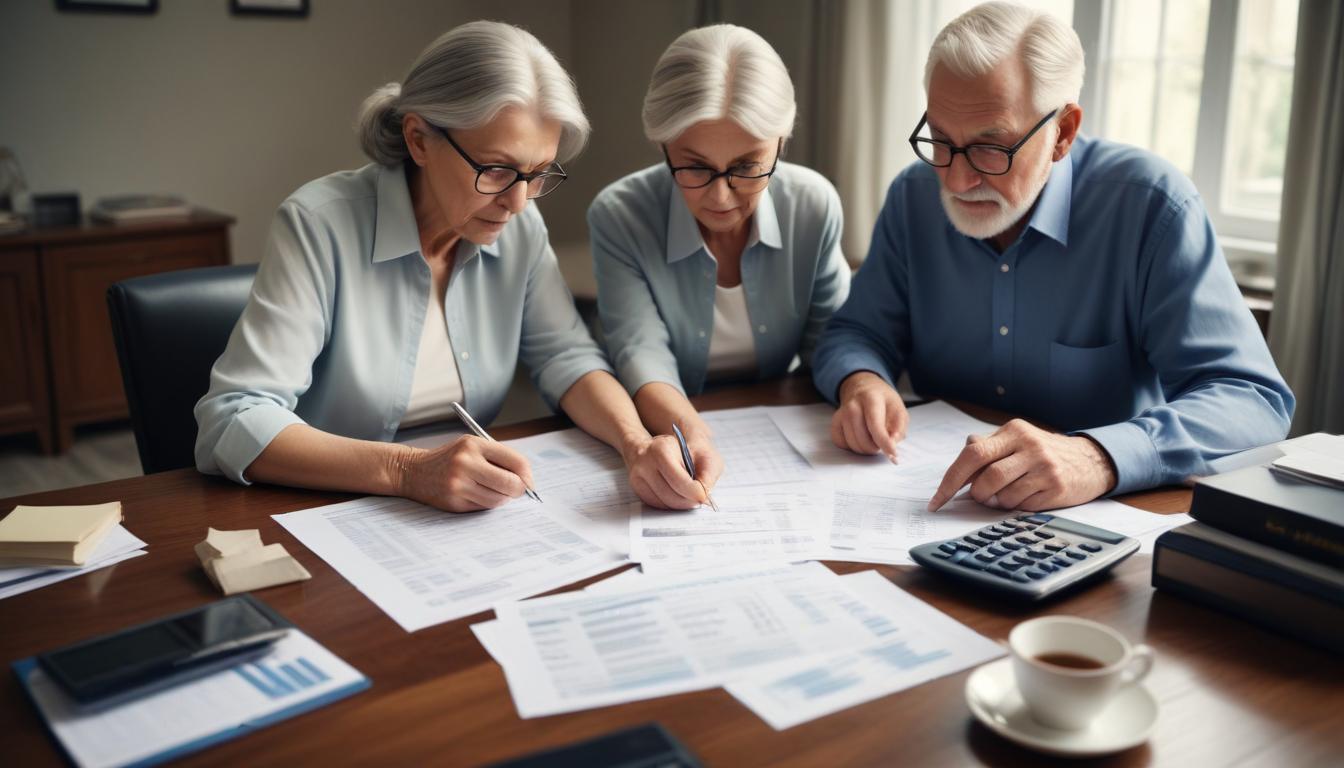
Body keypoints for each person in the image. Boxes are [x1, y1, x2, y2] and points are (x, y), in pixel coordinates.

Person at [812, 1, 1293, 512]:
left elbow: (1252, 400)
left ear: (1061, 133)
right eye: (941, 140)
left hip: (1101, 523)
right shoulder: (913, 197)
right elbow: (856, 332)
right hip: (934, 513)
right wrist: (861, 380)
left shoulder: (1151, 206)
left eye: (989, 148)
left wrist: (1097, 457)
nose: (955, 179)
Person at [195, 21, 695, 512]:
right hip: (328, 509)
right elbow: (234, 419)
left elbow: (567, 356)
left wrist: (636, 443)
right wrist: (408, 471)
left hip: (463, 512)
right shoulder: (318, 224)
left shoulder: (519, 226)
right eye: (496, 169)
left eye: (538, 174)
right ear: (418, 139)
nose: (519, 202)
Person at [589, 24, 851, 508]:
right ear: (663, 144)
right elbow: (639, 353)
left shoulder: (813, 205)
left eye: (748, 167)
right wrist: (692, 432)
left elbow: (837, 342)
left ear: (781, 142)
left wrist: (861, 390)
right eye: (695, 167)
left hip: (783, 442)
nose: (720, 195)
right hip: (667, 438)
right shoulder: (620, 214)